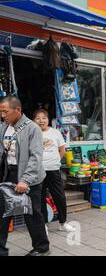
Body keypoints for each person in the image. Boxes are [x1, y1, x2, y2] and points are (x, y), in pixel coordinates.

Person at [0, 96, 50, 256]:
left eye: (5, 112)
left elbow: (36, 157)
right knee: (2, 212)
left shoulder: (32, 128)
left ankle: (42, 248)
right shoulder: (3, 127)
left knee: (32, 214)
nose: (2, 115)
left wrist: (25, 180)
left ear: (18, 110)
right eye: (0, 112)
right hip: (8, 174)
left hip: (30, 177)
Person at [32, 109, 76, 233]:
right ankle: (43, 225)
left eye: (44, 118)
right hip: (38, 171)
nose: (41, 121)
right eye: (38, 118)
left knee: (60, 197)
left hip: (53, 170)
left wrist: (55, 160)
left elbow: (62, 150)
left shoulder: (55, 133)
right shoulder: (31, 133)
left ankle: (63, 223)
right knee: (40, 199)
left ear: (48, 119)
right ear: (34, 120)